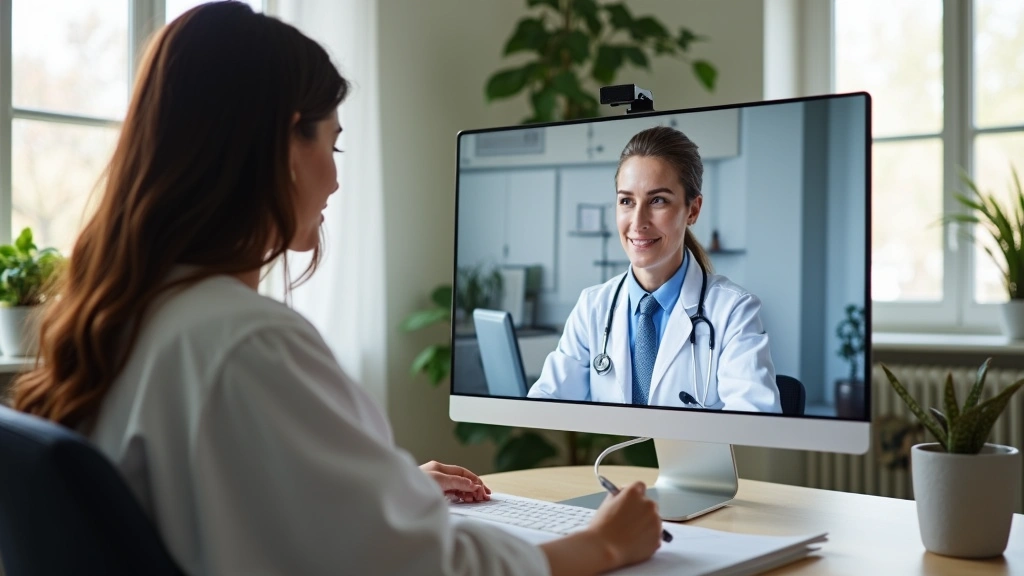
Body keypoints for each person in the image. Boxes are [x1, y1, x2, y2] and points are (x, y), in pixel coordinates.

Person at [10, 3, 663, 575]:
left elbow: (216, 499)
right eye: (333, 145)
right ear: (283, 144)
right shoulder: (245, 343)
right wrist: (602, 545)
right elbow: (431, 571)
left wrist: (375, 494)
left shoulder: (128, 321)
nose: (334, 181)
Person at [528, 126, 782, 412]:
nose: (638, 221)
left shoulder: (733, 311)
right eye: (626, 201)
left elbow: (754, 421)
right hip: (609, 459)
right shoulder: (592, 307)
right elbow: (545, 403)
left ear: (693, 210)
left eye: (657, 200)